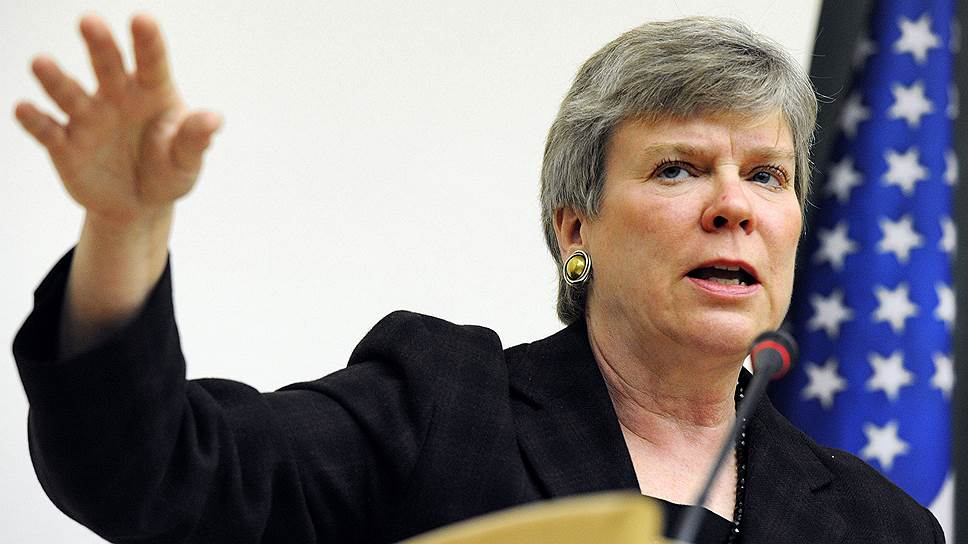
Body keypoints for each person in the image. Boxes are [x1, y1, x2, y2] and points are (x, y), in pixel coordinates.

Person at [13, 13, 943, 544]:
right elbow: (155, 471)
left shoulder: (882, 525)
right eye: (677, 169)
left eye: (767, 176)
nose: (734, 204)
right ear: (575, 229)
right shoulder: (443, 410)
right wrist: (124, 227)